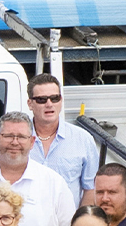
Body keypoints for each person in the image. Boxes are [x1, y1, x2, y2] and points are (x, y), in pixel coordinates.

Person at [27, 74, 100, 207]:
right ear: (30, 104)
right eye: (42, 100)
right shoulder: (16, 140)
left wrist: (79, 224)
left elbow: (91, 189)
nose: (49, 104)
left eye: (55, 98)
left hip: (68, 225)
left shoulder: (83, 139)